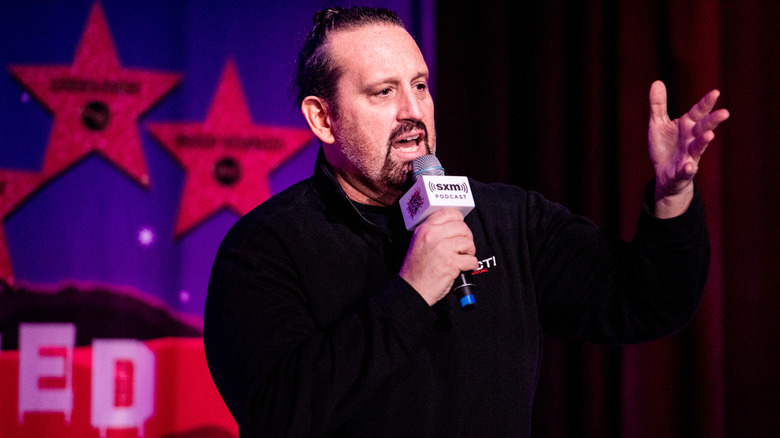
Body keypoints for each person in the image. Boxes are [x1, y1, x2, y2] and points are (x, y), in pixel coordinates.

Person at [204, 6, 730, 437]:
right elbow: (278, 414)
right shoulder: (265, 249)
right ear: (323, 118)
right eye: (383, 92)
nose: (413, 110)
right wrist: (410, 292)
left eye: (420, 86)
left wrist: (672, 195)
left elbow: (646, 303)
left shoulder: (507, 217)